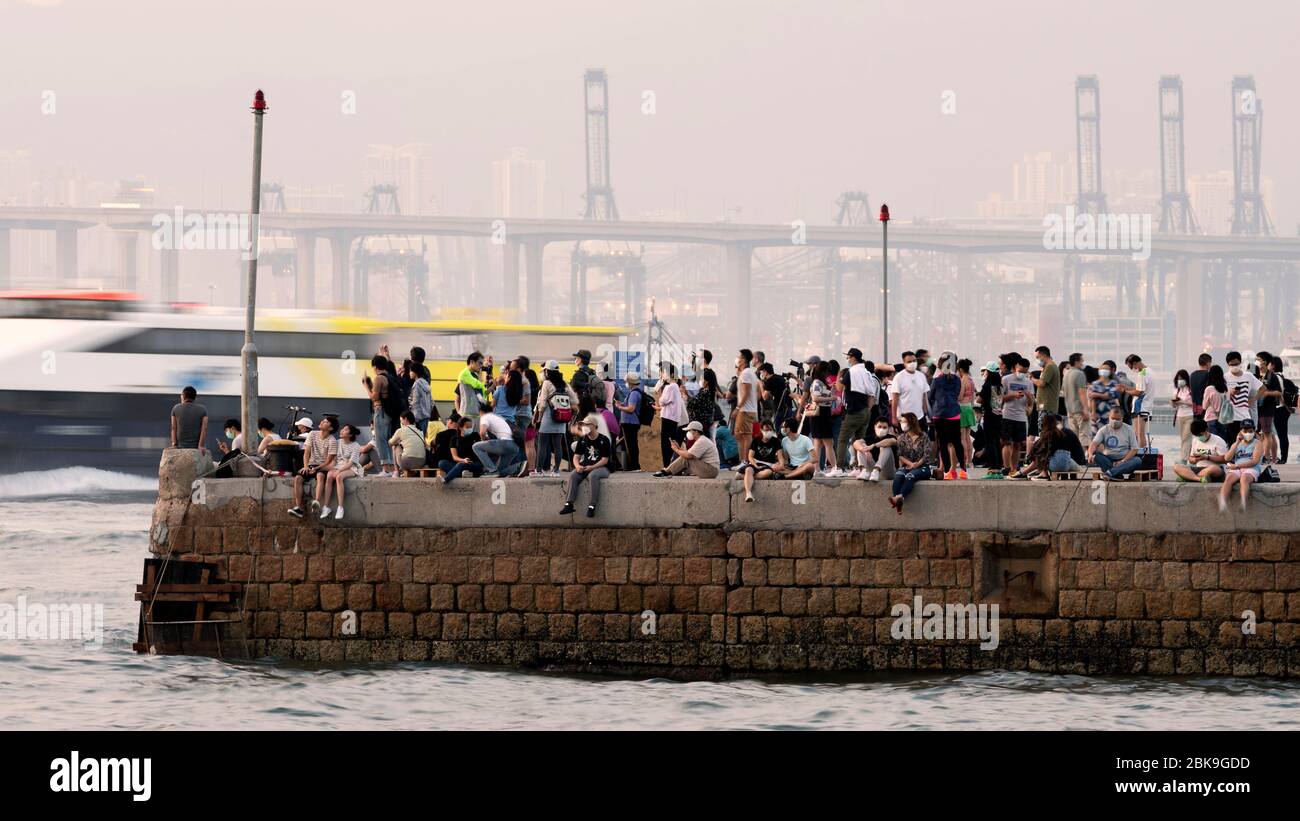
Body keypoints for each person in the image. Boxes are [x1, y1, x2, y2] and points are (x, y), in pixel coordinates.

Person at [287, 416, 338, 518]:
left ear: (331, 428)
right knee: (298, 478)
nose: (322, 421)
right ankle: (299, 508)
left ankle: (317, 502)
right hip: (310, 464)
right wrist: (306, 466)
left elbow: (329, 461)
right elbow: (307, 452)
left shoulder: (332, 441)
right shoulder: (312, 434)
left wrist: (317, 468)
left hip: (323, 466)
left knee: (320, 476)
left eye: (326, 422)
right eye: (323, 420)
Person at [559, 417, 610, 518]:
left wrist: (592, 467)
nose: (584, 427)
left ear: (595, 426)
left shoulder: (604, 439)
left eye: (587, 424)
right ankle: (569, 504)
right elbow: (576, 457)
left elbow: (605, 460)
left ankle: (592, 506)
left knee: (593, 476)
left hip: (602, 467)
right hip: (586, 465)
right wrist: (577, 466)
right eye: (583, 425)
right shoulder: (582, 439)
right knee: (574, 474)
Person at [534, 360, 578, 476]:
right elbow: (575, 401)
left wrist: (539, 419)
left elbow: (542, 404)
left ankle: (539, 470)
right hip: (561, 418)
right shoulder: (564, 384)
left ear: (547, 371)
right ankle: (556, 471)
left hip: (548, 417)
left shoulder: (547, 383)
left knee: (542, 444)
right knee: (557, 445)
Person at [320, 424, 372, 520]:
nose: (342, 431)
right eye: (342, 429)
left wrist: (338, 471)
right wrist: (331, 468)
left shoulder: (355, 445)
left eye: (345, 430)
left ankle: (340, 507)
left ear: (350, 434)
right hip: (338, 465)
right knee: (329, 475)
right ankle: (326, 507)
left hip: (352, 467)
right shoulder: (337, 442)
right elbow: (334, 459)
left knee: (339, 477)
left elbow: (351, 463)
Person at [887, 412, 933, 514]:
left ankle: (898, 498)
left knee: (910, 476)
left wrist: (916, 464)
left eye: (904, 422)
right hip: (907, 465)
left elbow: (927, 454)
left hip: (923, 466)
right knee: (898, 475)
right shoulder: (901, 437)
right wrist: (910, 464)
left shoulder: (923, 436)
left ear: (911, 423)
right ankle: (898, 499)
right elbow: (900, 454)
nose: (902, 424)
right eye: (901, 422)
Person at [929, 351, 964, 480]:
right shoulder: (957, 378)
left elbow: (931, 396)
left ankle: (946, 469)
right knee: (954, 442)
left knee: (944, 443)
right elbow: (957, 395)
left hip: (941, 413)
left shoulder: (938, 377)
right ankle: (953, 469)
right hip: (954, 412)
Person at [999, 353, 1034, 475]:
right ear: (1015, 367)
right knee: (1006, 442)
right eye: (1020, 370)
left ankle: (1014, 468)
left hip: (1021, 416)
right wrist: (1013, 395)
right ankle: (1006, 467)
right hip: (1007, 415)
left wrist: (1029, 397)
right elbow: (999, 398)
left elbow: (1031, 403)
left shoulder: (1029, 383)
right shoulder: (1006, 379)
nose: (1022, 374)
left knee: (1017, 444)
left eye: (1024, 372)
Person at [1219, 419, 1264, 513]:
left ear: (1254, 431)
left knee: (1245, 478)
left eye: (1250, 431)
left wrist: (1237, 466)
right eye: (1245, 431)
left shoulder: (1257, 443)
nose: (1248, 433)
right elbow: (1227, 458)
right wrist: (1236, 443)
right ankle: (1223, 502)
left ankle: (1243, 502)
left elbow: (1255, 461)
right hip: (1237, 468)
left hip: (1251, 468)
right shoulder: (1237, 444)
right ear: (1241, 431)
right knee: (1228, 479)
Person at [804, 360, 840, 476]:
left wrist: (831, 391)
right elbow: (815, 398)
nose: (828, 374)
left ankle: (817, 469)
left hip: (821, 415)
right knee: (828, 442)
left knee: (818, 443)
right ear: (823, 371)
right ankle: (835, 468)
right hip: (821, 414)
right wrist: (832, 398)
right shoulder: (817, 383)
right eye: (827, 371)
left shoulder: (820, 382)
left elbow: (821, 396)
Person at [1087, 406, 1141, 481]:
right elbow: (1094, 444)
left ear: (1122, 418)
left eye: (1118, 419)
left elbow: (1134, 449)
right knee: (1095, 455)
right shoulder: (1103, 429)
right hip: (1108, 460)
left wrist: (1122, 461)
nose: (1115, 421)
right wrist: (1090, 455)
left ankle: (1110, 473)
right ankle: (1116, 474)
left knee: (1137, 460)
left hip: (1124, 461)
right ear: (1109, 417)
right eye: (1113, 418)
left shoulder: (1129, 429)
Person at [364, 355, 397, 477]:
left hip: (380, 411)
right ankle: (392, 468)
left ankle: (386, 469)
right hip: (389, 412)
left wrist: (367, 387)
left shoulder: (378, 378)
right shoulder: (390, 377)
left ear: (375, 366)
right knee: (387, 439)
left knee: (380, 440)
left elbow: (374, 397)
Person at [735, 419, 783, 502]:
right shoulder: (756, 440)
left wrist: (781, 465)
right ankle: (748, 493)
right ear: (761, 430)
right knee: (749, 469)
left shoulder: (776, 441)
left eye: (771, 430)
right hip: (755, 462)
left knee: (768, 473)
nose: (769, 432)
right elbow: (750, 456)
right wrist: (754, 464)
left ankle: (743, 476)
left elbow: (780, 457)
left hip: (768, 465)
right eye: (766, 430)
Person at [655, 420, 720, 478]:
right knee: (685, 457)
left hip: (711, 470)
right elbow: (688, 453)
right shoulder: (701, 439)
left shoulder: (702, 441)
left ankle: (666, 472)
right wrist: (679, 448)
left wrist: (676, 450)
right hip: (710, 469)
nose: (688, 433)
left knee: (686, 458)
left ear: (696, 431)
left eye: (689, 430)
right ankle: (670, 471)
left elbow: (688, 455)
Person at [653, 362, 687, 468]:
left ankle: (667, 467)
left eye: (662, 373)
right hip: (674, 419)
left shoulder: (670, 387)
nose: (661, 375)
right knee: (671, 443)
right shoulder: (675, 386)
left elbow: (663, 401)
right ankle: (671, 466)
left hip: (668, 418)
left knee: (666, 444)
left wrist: (658, 391)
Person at [1173, 419, 1228, 484]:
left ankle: (1188, 477)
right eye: (1197, 436)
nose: (1199, 437)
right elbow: (1190, 458)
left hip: (1214, 470)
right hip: (1199, 468)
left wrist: (1207, 457)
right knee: (1177, 466)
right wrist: (1194, 460)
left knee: (1213, 468)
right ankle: (1199, 479)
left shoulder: (1218, 440)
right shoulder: (1195, 440)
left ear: (1207, 429)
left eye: (1201, 435)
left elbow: (1225, 459)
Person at [888, 351, 930, 434]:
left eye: (914, 361)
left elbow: (924, 395)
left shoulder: (921, 376)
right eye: (909, 362)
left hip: (919, 417)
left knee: (922, 442)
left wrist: (925, 411)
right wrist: (894, 418)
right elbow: (894, 399)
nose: (912, 363)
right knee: (905, 443)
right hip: (904, 419)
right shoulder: (899, 377)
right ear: (904, 363)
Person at [1222, 351, 1260, 442]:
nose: (1235, 366)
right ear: (1228, 364)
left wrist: (1253, 399)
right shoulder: (1225, 377)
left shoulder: (1248, 376)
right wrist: (1229, 392)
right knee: (1232, 442)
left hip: (1245, 416)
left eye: (1236, 364)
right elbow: (1220, 395)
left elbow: (1263, 388)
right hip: (1230, 417)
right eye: (1232, 364)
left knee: (1247, 441)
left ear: (1241, 362)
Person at [473, 409, 523, 477]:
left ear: (481, 412)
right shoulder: (499, 417)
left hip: (505, 443)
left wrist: (484, 441)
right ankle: (520, 466)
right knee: (500, 471)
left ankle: (492, 470)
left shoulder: (485, 417)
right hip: (514, 446)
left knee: (476, 446)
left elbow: (482, 433)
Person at [1254, 351, 1283, 463]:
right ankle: (1261, 455)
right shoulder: (1253, 373)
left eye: (1258, 359)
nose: (1256, 361)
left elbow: (1279, 393)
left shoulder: (1272, 376)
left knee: (1267, 433)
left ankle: (1266, 457)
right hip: (1254, 408)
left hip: (1267, 408)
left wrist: (1267, 393)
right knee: (1255, 432)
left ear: (1265, 362)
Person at [614, 372, 646, 472]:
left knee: (631, 445)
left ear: (630, 382)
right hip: (630, 423)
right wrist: (621, 404)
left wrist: (620, 407)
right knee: (630, 444)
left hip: (630, 423)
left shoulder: (634, 393)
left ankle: (634, 466)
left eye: (627, 382)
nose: (626, 384)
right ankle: (631, 465)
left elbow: (631, 409)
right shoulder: (634, 393)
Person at [850, 417, 898, 482]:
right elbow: (856, 443)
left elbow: (892, 441)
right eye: (879, 426)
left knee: (885, 446)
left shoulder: (891, 437)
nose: (881, 429)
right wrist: (865, 451)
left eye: (884, 427)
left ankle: (877, 470)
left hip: (888, 472)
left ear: (888, 429)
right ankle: (864, 471)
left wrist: (873, 446)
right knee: (862, 446)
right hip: (872, 473)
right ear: (875, 427)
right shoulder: (870, 437)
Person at [439, 415, 484, 484]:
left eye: (471, 427)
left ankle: (445, 480)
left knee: (460, 465)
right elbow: (454, 457)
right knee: (442, 463)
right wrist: (463, 460)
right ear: (460, 428)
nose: (470, 429)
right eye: (467, 427)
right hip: (461, 462)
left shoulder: (475, 436)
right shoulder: (454, 439)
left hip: (474, 463)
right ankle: (462, 474)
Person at [1119, 354, 1150, 449]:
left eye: (1131, 366)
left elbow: (1138, 392)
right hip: (1144, 406)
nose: (1132, 369)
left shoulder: (1142, 373)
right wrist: (1126, 387)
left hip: (1140, 406)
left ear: (1135, 363)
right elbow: (1140, 388)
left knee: (1139, 434)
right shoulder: (1148, 371)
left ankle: (1141, 455)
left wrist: (1124, 391)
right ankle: (1141, 453)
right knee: (1139, 433)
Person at [456, 351, 492, 428]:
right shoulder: (464, 374)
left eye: (482, 363)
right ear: (472, 362)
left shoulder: (474, 375)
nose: (481, 366)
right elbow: (478, 385)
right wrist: (481, 374)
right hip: (467, 412)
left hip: (476, 412)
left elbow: (481, 393)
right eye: (480, 363)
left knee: (476, 438)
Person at [1087, 360, 1122, 436]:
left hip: (1110, 413)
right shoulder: (1095, 384)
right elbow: (1092, 398)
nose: (1104, 371)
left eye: (1106, 369)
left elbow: (1111, 395)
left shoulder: (1114, 383)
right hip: (1098, 413)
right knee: (1096, 434)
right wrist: (1093, 412)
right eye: (1102, 369)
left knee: (1110, 433)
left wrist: (1096, 394)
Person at [170, 386, 209, 453]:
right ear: (194, 397)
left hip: (180, 446)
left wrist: (174, 444)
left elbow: (173, 428)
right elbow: (204, 428)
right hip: (196, 447)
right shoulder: (203, 409)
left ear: (183, 396)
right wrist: (200, 446)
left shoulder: (175, 408)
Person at [956, 358, 977, 475]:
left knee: (962, 437)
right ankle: (970, 461)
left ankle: (963, 460)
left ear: (960, 369)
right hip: (969, 407)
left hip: (962, 408)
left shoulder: (962, 380)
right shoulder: (971, 380)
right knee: (968, 437)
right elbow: (973, 396)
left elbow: (960, 396)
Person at [1272, 354, 1294, 464]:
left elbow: (1278, 394)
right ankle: (1283, 457)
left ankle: (1283, 458)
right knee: (1282, 434)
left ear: (1274, 366)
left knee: (1281, 435)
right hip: (1284, 410)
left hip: (1279, 409)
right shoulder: (1282, 377)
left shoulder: (1275, 377)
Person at [1061, 353, 1088, 436]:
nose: (1082, 363)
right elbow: (1082, 393)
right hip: (1079, 410)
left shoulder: (1066, 374)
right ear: (1076, 362)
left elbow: (1064, 391)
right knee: (1084, 435)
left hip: (1069, 410)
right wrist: (1085, 409)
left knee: (1074, 435)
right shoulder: (1079, 374)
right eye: (1081, 361)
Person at [1171, 369, 1195, 463]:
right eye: (1178, 379)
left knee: (1186, 437)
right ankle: (1188, 457)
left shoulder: (1190, 389)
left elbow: (1194, 403)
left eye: (1181, 378)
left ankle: (1184, 459)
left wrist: (1182, 402)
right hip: (1180, 416)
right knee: (1183, 438)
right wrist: (1174, 402)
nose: (1179, 380)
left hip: (1189, 415)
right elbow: (1174, 404)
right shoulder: (1177, 390)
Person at [1203, 364, 1228, 441]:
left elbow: (1204, 406)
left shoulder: (1209, 388)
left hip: (1211, 419)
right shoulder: (1224, 388)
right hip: (1223, 419)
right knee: (1222, 442)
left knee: (1212, 442)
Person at [407, 359, 433, 434]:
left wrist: (413, 416)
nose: (409, 373)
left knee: (417, 438)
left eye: (410, 371)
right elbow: (432, 402)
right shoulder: (425, 383)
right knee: (422, 438)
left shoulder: (417, 384)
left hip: (418, 418)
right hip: (426, 417)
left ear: (415, 372)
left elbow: (415, 402)